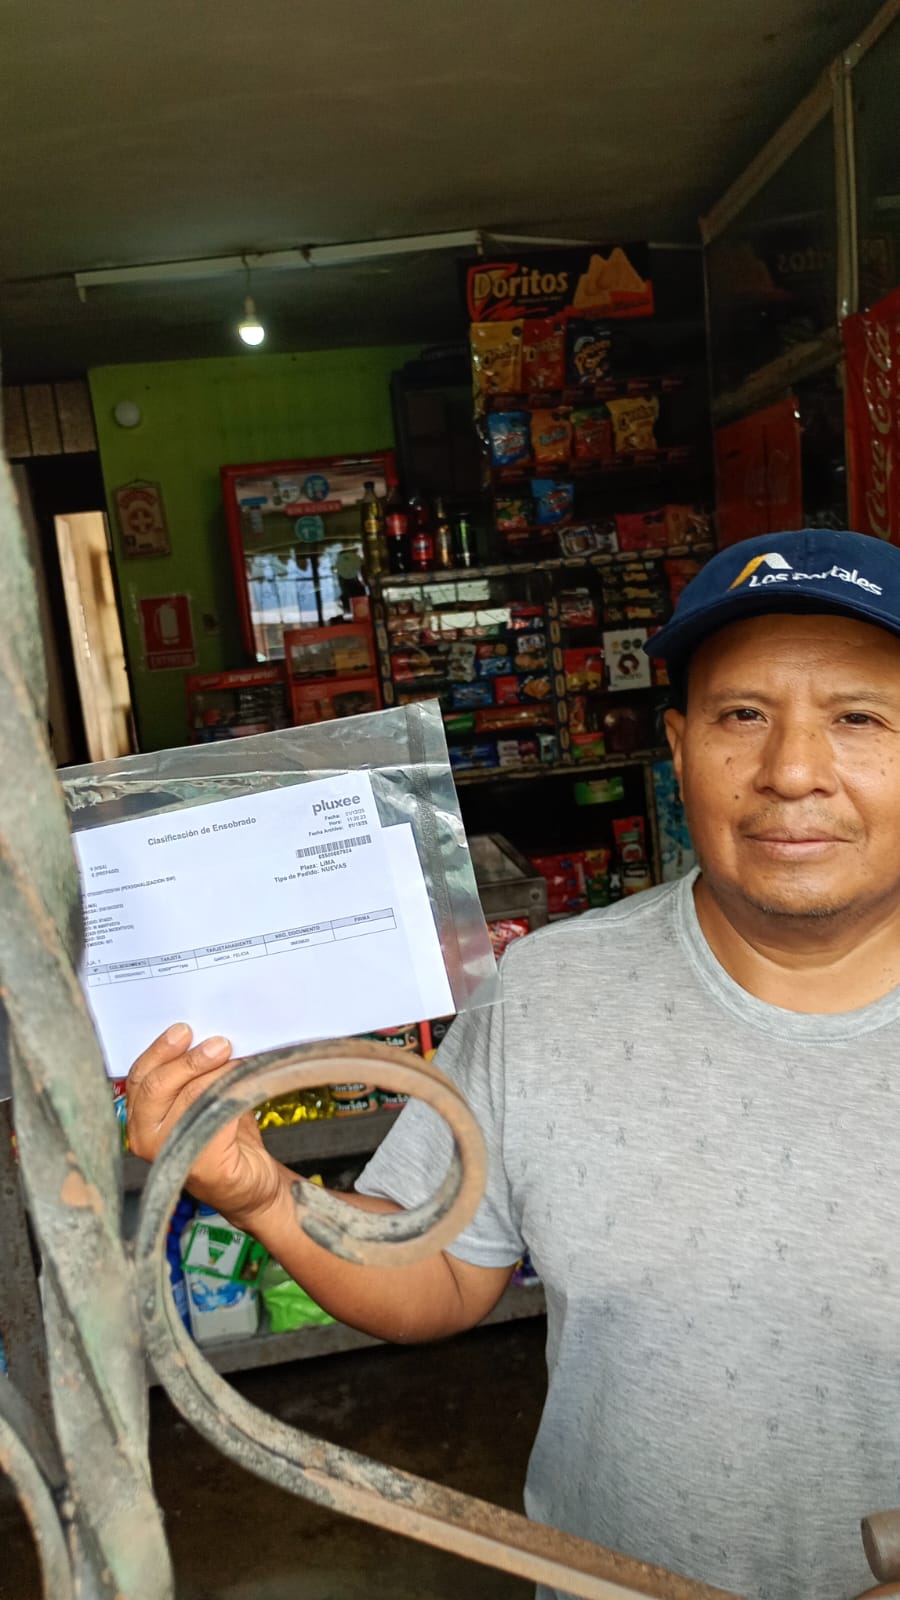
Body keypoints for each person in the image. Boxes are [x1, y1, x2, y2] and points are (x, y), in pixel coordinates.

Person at [128, 527, 900, 1600]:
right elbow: (441, 1277)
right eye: (742, 716)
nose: (793, 772)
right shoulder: (548, 992)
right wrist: (263, 1194)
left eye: (859, 718)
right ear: (678, 748)